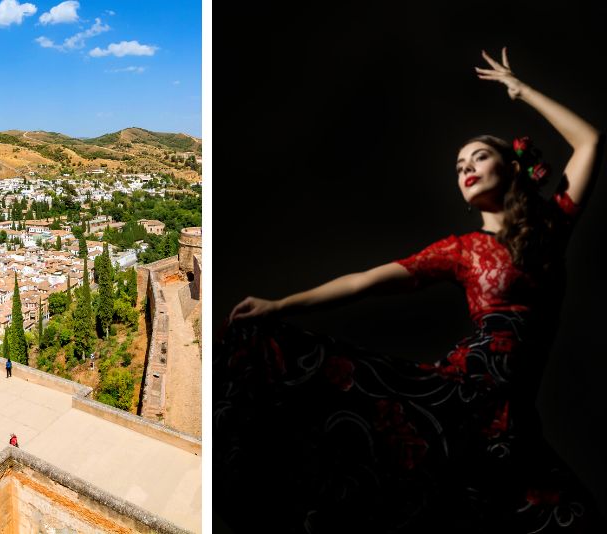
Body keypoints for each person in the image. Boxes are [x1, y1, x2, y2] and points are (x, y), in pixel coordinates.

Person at [217, 48, 606, 533]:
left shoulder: (551, 227)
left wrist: (520, 89)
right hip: (461, 395)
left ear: (509, 166)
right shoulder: (460, 250)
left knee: (567, 518)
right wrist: (280, 305)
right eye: (459, 162)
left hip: (513, 418)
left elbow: (590, 139)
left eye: (479, 155)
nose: (465, 167)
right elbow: (366, 282)